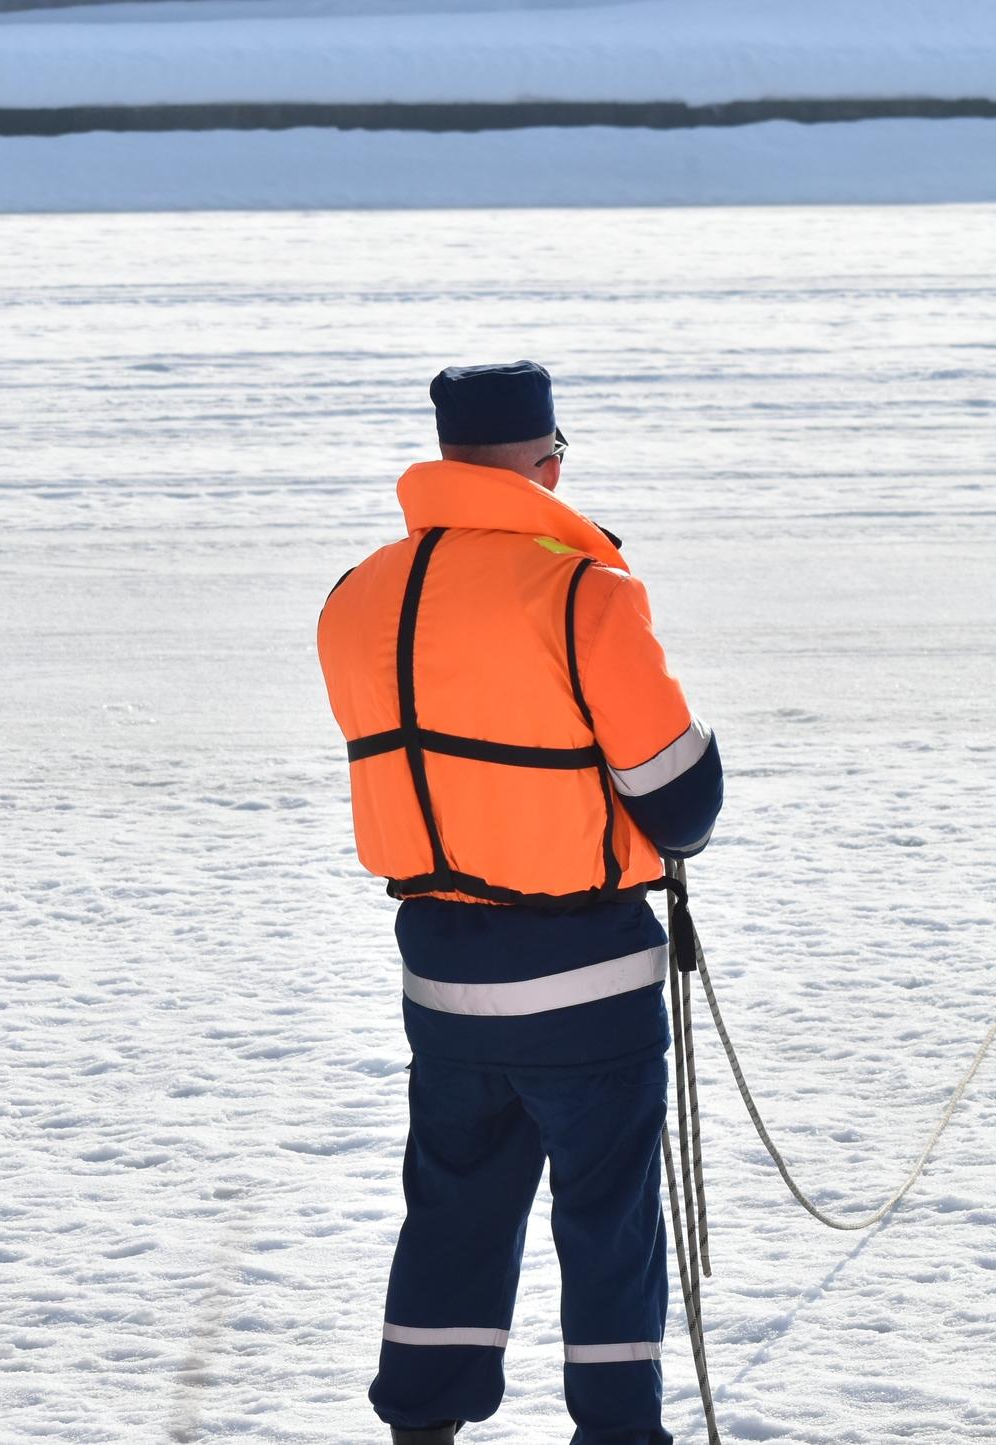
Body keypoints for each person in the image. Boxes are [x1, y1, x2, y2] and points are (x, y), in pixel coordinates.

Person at [317, 361, 724, 1445]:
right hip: (586, 969)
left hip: (440, 974)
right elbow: (678, 800)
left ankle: (421, 1425)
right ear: (547, 462)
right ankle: (619, 1431)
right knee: (608, 1222)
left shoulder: (360, 591)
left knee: (453, 1209)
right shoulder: (585, 588)